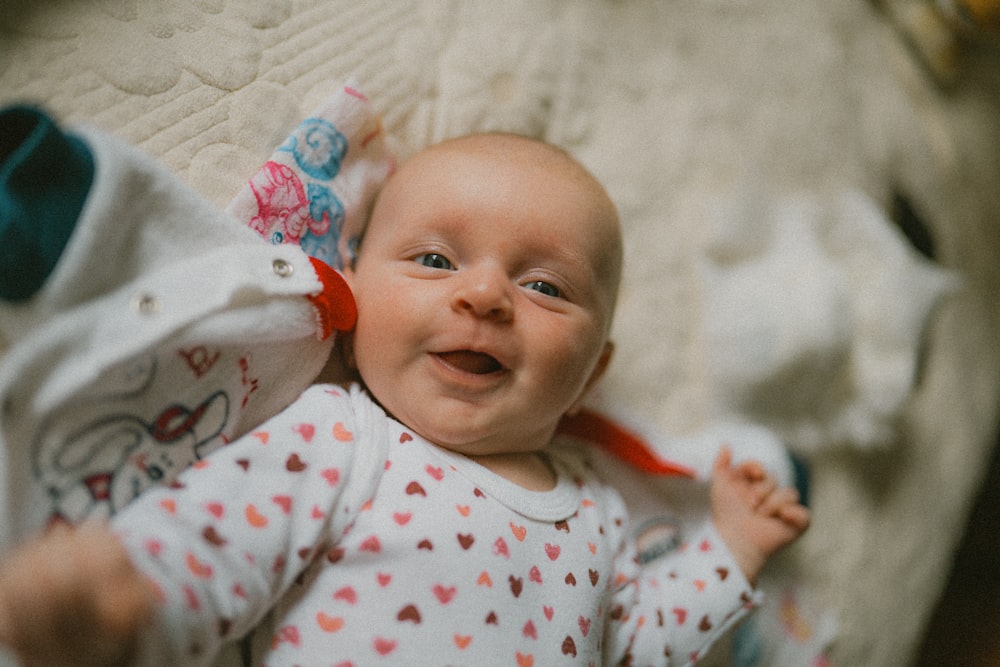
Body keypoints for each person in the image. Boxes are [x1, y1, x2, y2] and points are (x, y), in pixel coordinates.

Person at [0, 133, 810, 666]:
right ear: (353, 297)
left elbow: (638, 645)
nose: (487, 294)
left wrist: (729, 550)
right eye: (432, 259)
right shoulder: (341, 437)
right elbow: (215, 550)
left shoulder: (598, 507)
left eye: (543, 284)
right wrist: (122, 599)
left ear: (593, 372)